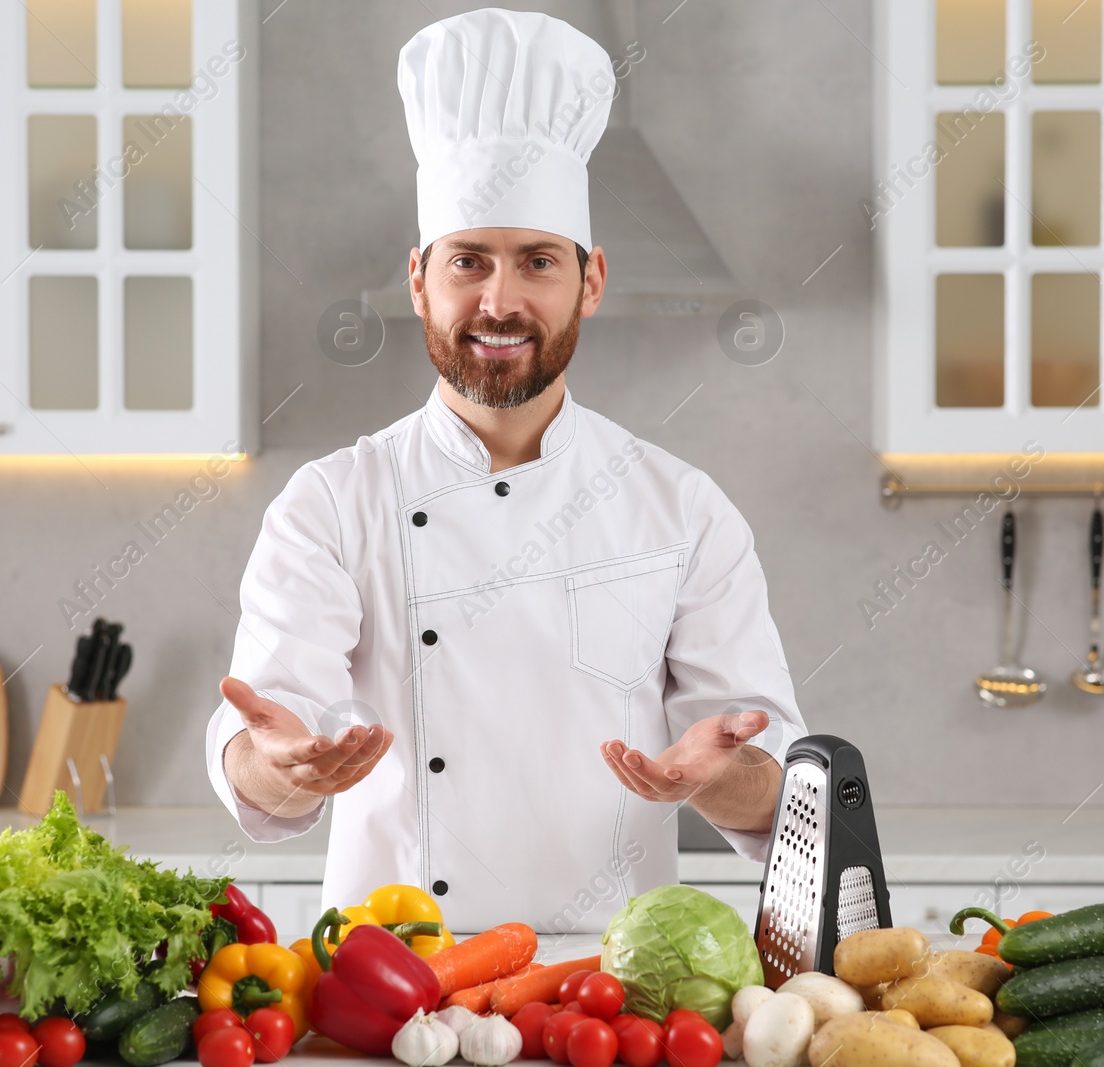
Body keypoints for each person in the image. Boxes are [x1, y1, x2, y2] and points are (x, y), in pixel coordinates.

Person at [207, 6, 805, 934]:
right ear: (419, 280)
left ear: (591, 280)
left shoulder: (684, 508)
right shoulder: (331, 504)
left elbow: (776, 796)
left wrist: (719, 777)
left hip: (613, 998)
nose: (500, 299)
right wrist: (278, 768)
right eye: (468, 262)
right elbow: (268, 759)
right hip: (390, 983)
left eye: (537, 261)